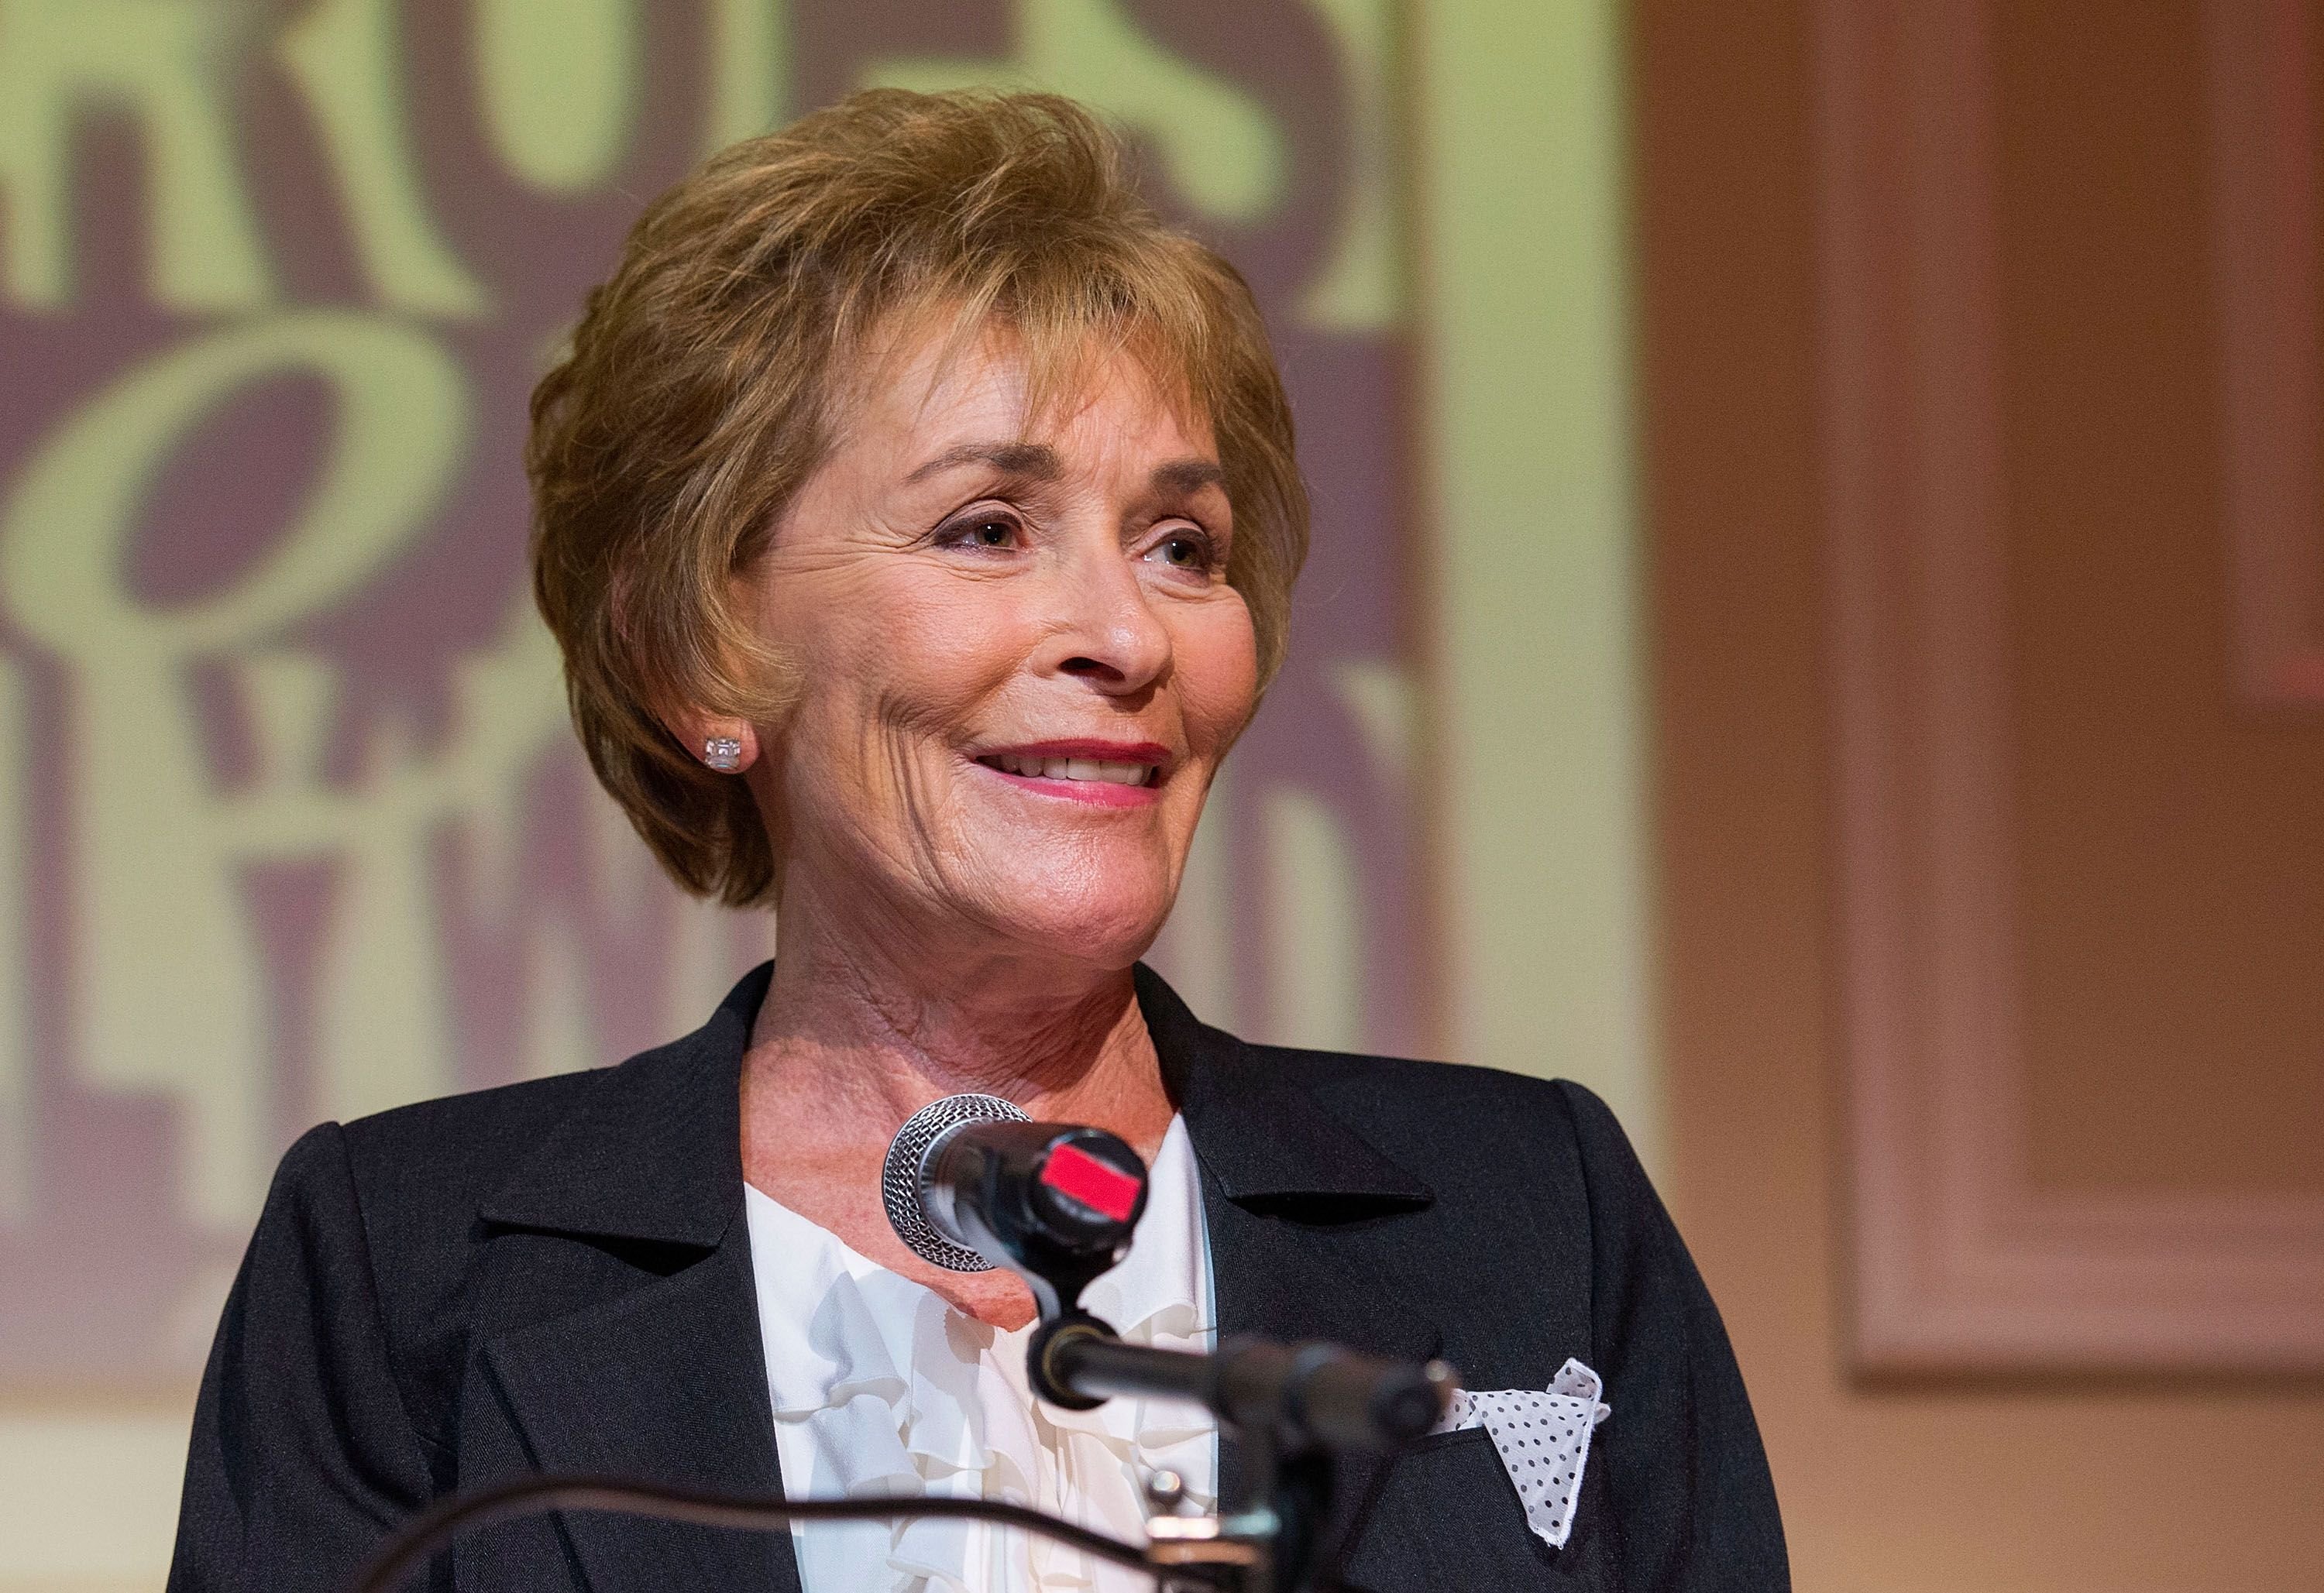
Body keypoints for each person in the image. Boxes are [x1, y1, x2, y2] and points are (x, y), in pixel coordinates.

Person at [167, 89, 1787, 1592]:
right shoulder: (401, 1267)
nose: (1128, 636)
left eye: (1181, 544)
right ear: (693, 655)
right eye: (988, 528)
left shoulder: (1528, 1213)